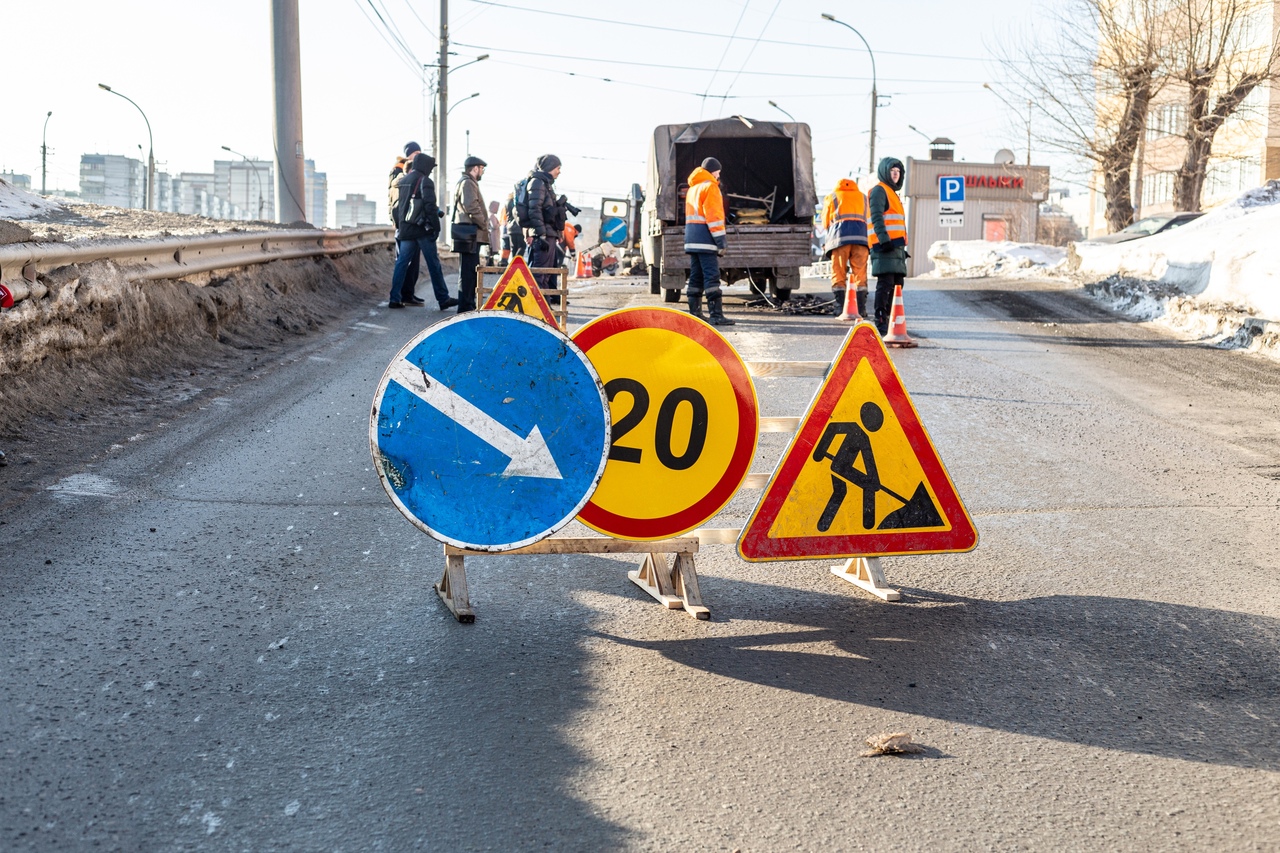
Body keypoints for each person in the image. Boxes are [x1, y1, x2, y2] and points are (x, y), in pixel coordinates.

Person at [389, 151, 457, 310]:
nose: (431, 170)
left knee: (401, 264)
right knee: (434, 264)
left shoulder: (404, 180)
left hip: (406, 230)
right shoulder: (425, 181)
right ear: (424, 166)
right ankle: (443, 298)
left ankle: (394, 298)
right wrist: (436, 227)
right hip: (421, 230)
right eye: (430, 167)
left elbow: (398, 207)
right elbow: (429, 207)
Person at [683, 156, 733, 326]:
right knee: (712, 277)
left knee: (696, 277)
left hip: (692, 239)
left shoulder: (693, 188)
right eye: (718, 171)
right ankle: (716, 315)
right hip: (706, 239)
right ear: (713, 171)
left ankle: (695, 315)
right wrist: (721, 241)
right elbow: (714, 217)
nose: (719, 175)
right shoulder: (710, 187)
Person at [867, 157, 908, 334]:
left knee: (898, 283)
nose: (895, 174)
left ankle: (892, 318)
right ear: (885, 172)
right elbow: (876, 217)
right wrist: (884, 240)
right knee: (886, 283)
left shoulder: (893, 193)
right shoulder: (879, 191)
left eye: (898, 171)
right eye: (892, 171)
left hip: (897, 247)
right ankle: (881, 318)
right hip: (885, 246)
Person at [821, 177, 870, 317]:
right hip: (861, 237)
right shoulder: (863, 197)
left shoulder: (832, 197)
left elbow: (825, 222)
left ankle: (840, 307)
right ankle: (861, 309)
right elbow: (868, 217)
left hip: (839, 238)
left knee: (838, 271)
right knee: (860, 273)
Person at [451, 155, 490, 314]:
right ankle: (466, 305)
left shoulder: (467, 182)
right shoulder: (468, 183)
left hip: (469, 234)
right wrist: (484, 223)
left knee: (469, 270)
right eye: (482, 169)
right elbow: (471, 206)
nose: (482, 172)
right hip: (470, 233)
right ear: (475, 168)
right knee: (468, 271)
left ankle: (467, 303)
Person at [521, 154, 563, 301]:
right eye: (558, 168)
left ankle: (542, 307)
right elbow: (534, 209)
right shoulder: (537, 182)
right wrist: (541, 234)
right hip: (542, 235)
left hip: (548, 233)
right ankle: (535, 308)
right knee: (539, 274)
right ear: (550, 167)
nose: (559, 171)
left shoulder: (545, 183)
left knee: (545, 274)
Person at [388, 142, 422, 304]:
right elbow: (395, 201)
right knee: (403, 262)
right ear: (409, 155)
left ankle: (408, 294)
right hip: (404, 225)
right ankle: (399, 296)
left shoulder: (406, 173)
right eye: (416, 153)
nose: (419, 155)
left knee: (412, 263)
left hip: (408, 224)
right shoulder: (399, 172)